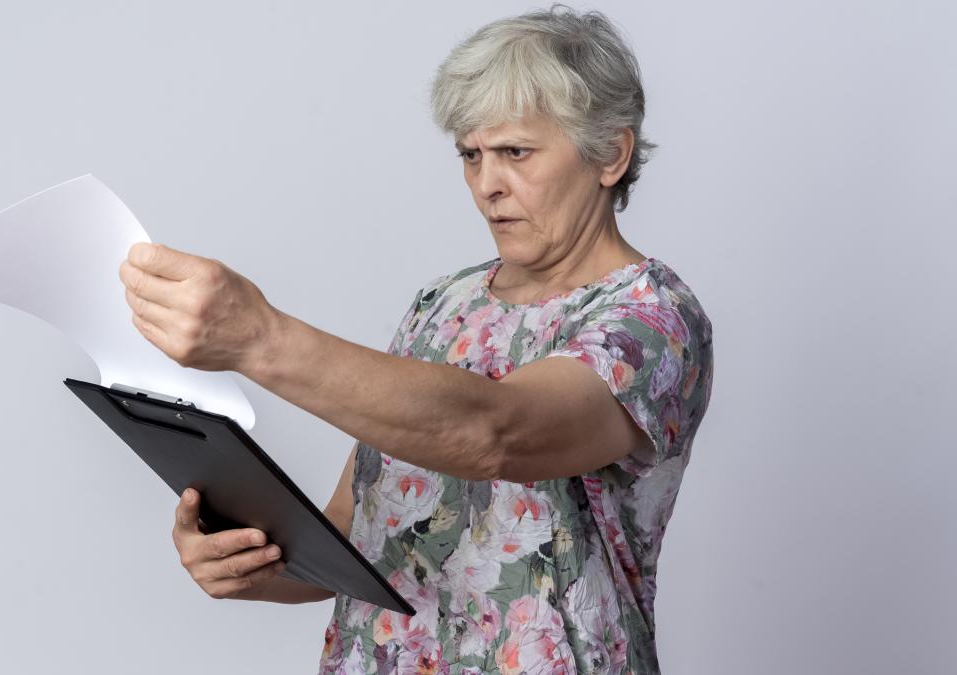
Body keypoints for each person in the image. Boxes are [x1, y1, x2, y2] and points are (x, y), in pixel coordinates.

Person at [117, 4, 713, 673]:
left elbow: (497, 432)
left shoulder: (651, 318)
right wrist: (253, 564)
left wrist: (259, 337)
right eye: (470, 154)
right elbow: (355, 533)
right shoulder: (442, 304)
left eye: (516, 151)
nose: (487, 184)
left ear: (611, 153)